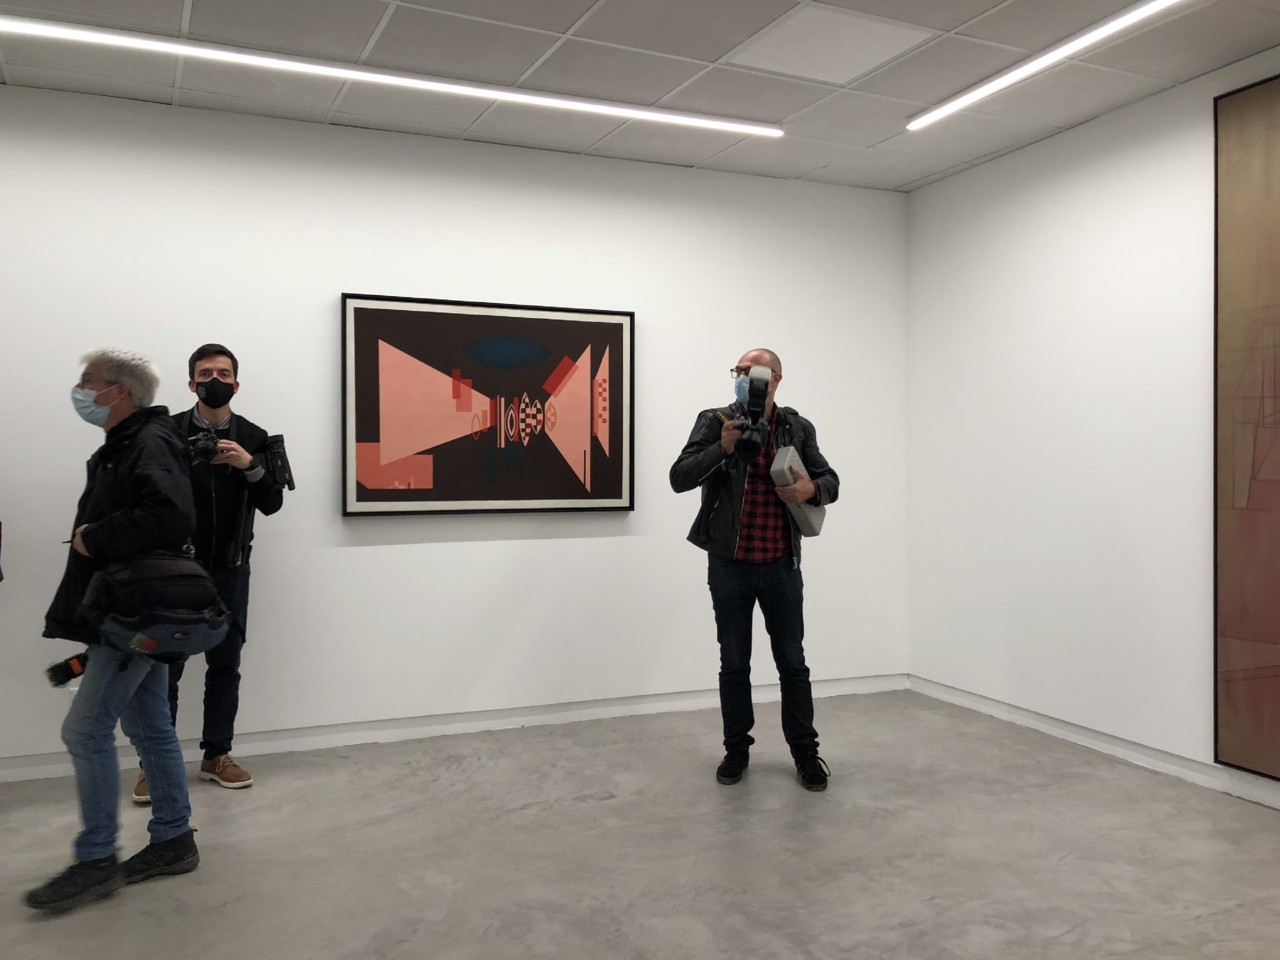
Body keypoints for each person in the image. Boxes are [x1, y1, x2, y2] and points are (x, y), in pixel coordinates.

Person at [26, 349, 200, 914]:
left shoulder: (147, 442)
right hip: (127, 611)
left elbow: (171, 515)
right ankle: (173, 840)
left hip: (135, 617)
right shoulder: (127, 444)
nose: (80, 391)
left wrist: (94, 537)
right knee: (149, 725)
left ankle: (96, 859)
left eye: (89, 382)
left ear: (120, 390)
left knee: (85, 730)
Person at [669, 349, 839, 791]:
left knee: (793, 663)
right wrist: (722, 448)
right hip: (730, 565)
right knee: (733, 662)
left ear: (776, 378)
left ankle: (805, 752)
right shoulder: (716, 420)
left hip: (782, 563)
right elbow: (679, 477)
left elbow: (830, 481)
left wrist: (809, 488)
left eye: (752, 371)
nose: (743, 377)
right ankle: (736, 750)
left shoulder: (797, 427)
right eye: (738, 371)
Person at [133, 344, 284, 803]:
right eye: (205, 373)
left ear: (236, 384)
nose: (213, 380)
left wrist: (249, 465)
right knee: (165, 666)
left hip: (231, 567)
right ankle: (155, 763)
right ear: (191, 383)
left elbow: (273, 502)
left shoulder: (255, 437)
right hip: (175, 569)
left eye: (222, 373)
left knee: (225, 663)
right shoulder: (166, 433)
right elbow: (143, 496)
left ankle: (217, 754)